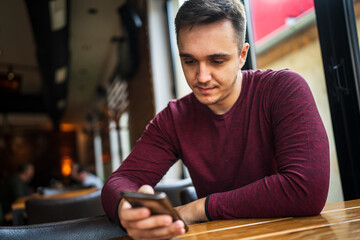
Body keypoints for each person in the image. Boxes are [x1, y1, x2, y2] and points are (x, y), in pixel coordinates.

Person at [101, 0, 330, 239]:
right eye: (189, 61)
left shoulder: (283, 89)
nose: (201, 76)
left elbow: (307, 188)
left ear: (242, 55)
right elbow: (121, 180)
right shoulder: (173, 119)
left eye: (217, 61)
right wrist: (125, 209)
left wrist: (201, 208)